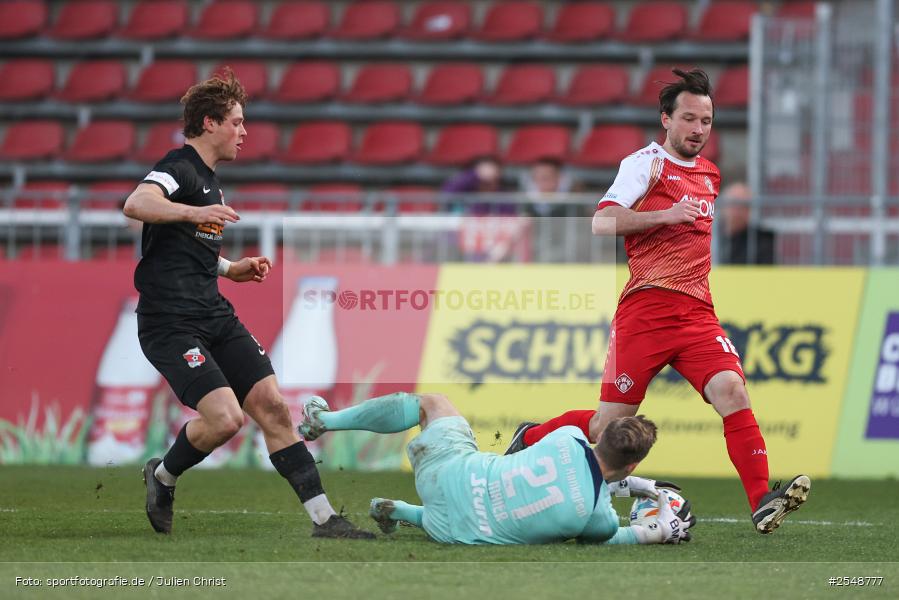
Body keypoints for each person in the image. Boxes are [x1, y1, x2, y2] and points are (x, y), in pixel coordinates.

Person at [503, 69, 810, 534]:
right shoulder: (644, 164)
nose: (698, 129)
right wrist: (666, 214)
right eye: (689, 118)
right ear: (666, 119)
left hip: (697, 315)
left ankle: (761, 500)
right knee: (607, 428)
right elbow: (602, 222)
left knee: (732, 391)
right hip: (645, 313)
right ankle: (532, 436)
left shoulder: (711, 174)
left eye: (706, 121)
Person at [122, 70, 373, 539]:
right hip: (170, 322)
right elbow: (136, 204)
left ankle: (325, 520)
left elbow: (185, 250)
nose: (244, 132)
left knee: (273, 407)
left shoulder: (209, 182)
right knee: (226, 420)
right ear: (210, 123)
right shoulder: (179, 168)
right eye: (236, 122)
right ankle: (163, 476)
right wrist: (194, 211)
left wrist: (229, 268)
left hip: (214, 313)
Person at [297, 392, 695, 545]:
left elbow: (561, 461)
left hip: (447, 474)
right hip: (454, 532)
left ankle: (324, 421)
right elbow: (609, 533)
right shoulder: (598, 517)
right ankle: (409, 514)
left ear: (601, 435)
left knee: (432, 404)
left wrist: (627, 482)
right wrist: (659, 531)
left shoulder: (570, 436)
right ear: (633, 463)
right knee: (524, 518)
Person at [719, 182, 776, 264]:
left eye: (743, 206)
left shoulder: (762, 243)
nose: (737, 211)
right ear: (723, 206)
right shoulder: (711, 237)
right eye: (734, 203)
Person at [520, 157, 585, 217]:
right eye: (536, 178)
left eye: (545, 178)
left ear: (558, 178)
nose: (540, 183)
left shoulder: (574, 201)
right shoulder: (526, 202)